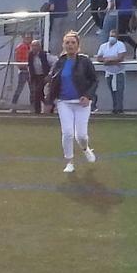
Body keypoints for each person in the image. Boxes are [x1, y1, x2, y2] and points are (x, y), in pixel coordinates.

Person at [50, 32, 98, 174]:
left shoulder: (85, 61)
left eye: (73, 43)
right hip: (64, 102)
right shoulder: (60, 61)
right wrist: (50, 98)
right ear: (63, 45)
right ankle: (69, 162)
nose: (70, 45)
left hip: (82, 103)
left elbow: (94, 80)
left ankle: (85, 148)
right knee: (68, 133)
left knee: (82, 135)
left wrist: (88, 96)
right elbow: (53, 79)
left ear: (78, 45)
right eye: (67, 43)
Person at [93, 32, 129, 114]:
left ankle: (119, 108)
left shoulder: (120, 45)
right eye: (111, 36)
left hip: (119, 72)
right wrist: (111, 60)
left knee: (119, 91)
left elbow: (120, 57)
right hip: (109, 72)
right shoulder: (103, 46)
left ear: (116, 37)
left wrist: (108, 60)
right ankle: (114, 108)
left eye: (114, 36)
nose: (112, 37)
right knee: (112, 91)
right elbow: (99, 58)